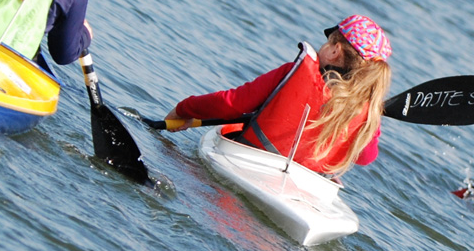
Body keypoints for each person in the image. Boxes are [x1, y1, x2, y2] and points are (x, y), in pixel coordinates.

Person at [162, 16, 393, 176]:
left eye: (328, 41)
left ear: (335, 50)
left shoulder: (293, 74)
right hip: (307, 184)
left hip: (250, 159)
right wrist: (374, 122)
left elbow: (231, 104)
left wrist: (185, 109)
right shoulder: (369, 110)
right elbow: (365, 157)